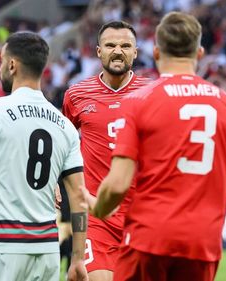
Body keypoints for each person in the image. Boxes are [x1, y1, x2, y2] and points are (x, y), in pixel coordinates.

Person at [92, 12, 226, 281]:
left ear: (155, 52)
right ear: (199, 53)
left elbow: (118, 184)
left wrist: (97, 208)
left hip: (149, 237)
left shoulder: (139, 101)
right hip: (202, 243)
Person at [0, 32, 89, 281]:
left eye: (2, 60)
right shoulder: (65, 126)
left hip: (2, 248)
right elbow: (78, 197)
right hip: (47, 253)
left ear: (12, 65)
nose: (1, 67)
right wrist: (77, 258)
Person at [62, 20, 150, 281]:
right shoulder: (76, 94)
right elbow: (63, 144)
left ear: (136, 52)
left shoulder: (152, 93)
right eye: (110, 45)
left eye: (126, 45)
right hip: (96, 214)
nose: (118, 51)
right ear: (98, 51)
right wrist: (57, 183)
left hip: (142, 213)